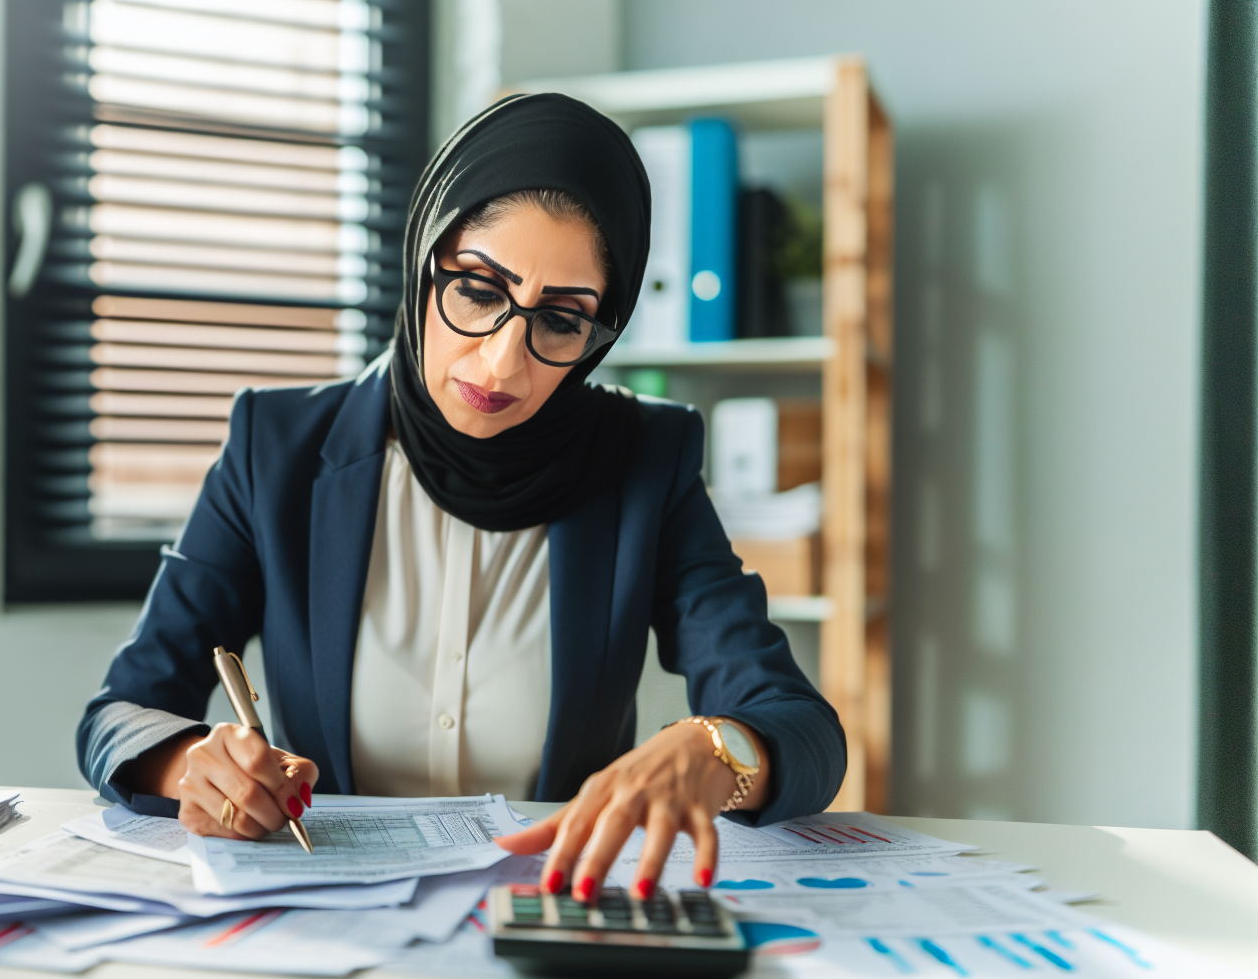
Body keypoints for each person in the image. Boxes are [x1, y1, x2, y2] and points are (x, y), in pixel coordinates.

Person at [76, 93, 845, 903]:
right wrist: (193, 765)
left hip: (543, 916)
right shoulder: (278, 446)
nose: (504, 363)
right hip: (328, 912)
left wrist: (718, 749)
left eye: (560, 319)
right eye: (477, 290)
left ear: (603, 332)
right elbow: (122, 710)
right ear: (422, 260)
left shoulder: (646, 458)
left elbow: (801, 728)